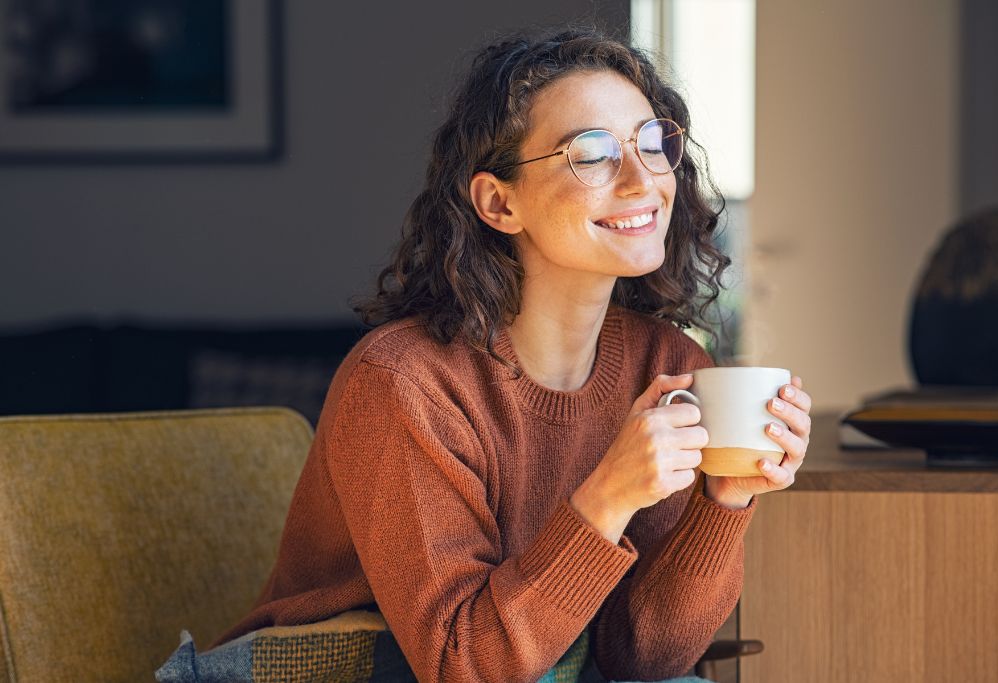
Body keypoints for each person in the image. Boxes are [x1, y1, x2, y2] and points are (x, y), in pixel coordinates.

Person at [213, 26, 813, 683]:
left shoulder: (666, 367)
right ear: (499, 203)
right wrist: (606, 498)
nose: (643, 178)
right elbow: (460, 665)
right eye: (592, 153)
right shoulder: (403, 383)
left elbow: (640, 661)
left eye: (653, 143)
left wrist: (722, 501)